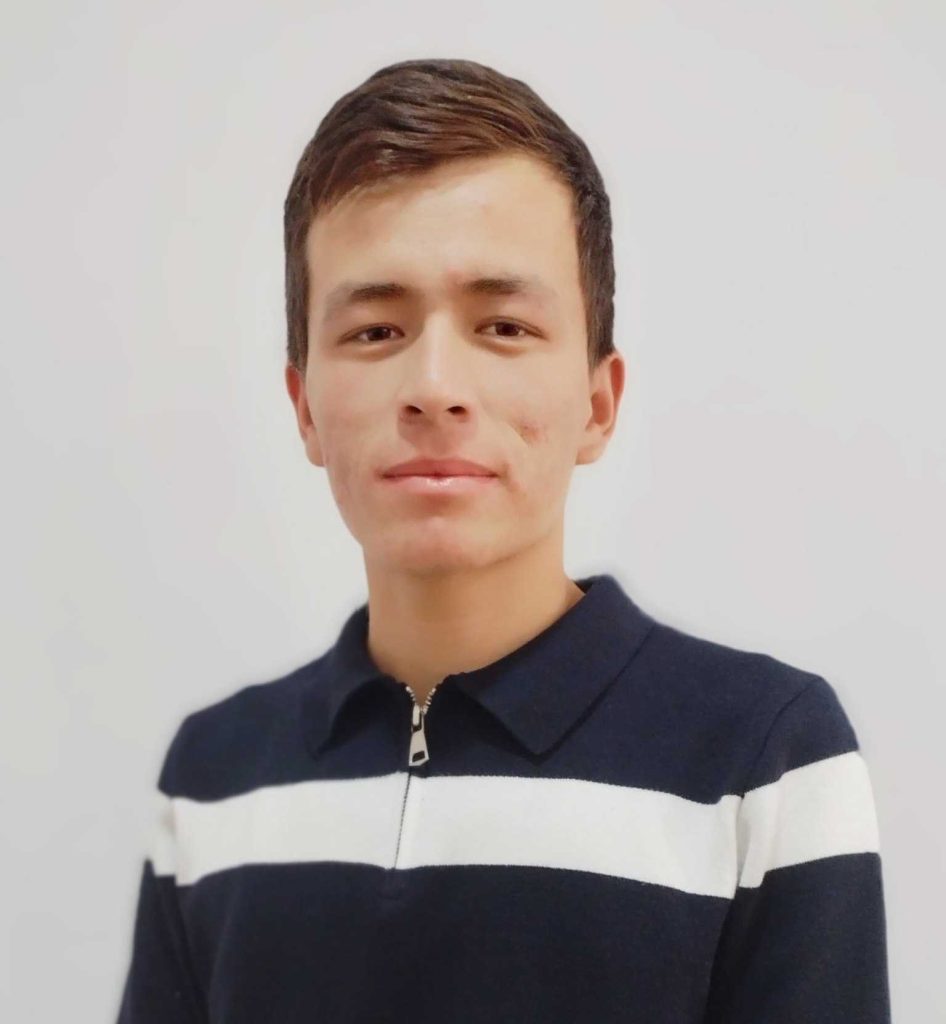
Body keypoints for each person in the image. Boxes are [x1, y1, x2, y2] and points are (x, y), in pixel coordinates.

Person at [115, 58, 892, 1023]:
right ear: (304, 407)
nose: (435, 383)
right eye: (375, 330)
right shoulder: (213, 780)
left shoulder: (764, 759)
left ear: (599, 404)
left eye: (504, 325)